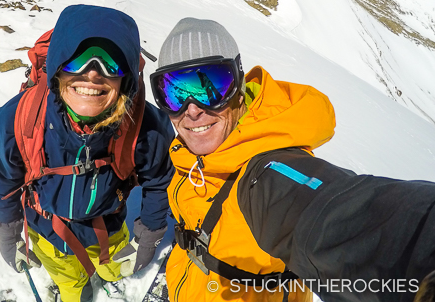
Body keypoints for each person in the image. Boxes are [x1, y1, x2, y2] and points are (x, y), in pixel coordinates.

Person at [149, 18, 435, 302]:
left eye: (211, 88)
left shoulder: (264, 174)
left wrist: (420, 254)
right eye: (173, 93)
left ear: (238, 86)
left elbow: (338, 214)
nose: (192, 110)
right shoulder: (191, 153)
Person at [0, 5, 175, 302]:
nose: (93, 73)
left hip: (108, 229)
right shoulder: (15, 122)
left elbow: (160, 181)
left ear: (127, 78)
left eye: (112, 63)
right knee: (71, 284)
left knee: (115, 268)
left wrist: (149, 233)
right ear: (58, 65)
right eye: (77, 59)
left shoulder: (146, 128)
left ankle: (106, 279)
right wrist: (8, 232)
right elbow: (2, 184)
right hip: (46, 232)